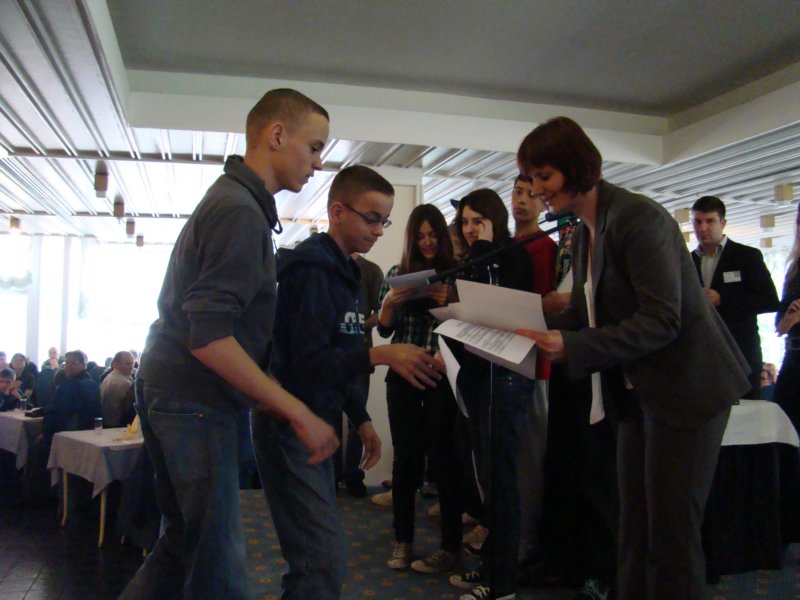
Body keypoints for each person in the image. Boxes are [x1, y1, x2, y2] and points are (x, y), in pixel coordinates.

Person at [515, 116, 750, 600]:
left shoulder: (637, 217)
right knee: (635, 527)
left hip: (689, 390)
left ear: (577, 167)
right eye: (532, 179)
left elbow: (664, 320)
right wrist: (512, 327)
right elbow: (583, 315)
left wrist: (573, 347)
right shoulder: (587, 231)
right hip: (640, 393)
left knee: (671, 534)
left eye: (544, 176)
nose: (536, 190)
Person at [120, 89, 340, 600]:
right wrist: (295, 409)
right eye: (314, 147)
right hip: (194, 397)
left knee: (184, 542)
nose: (318, 163)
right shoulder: (240, 211)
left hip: (172, 387)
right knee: (218, 563)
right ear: (277, 135)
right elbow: (209, 339)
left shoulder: (235, 201)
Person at [251, 165, 445, 599]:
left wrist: (359, 417)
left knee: (319, 560)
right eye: (371, 218)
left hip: (314, 423)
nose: (377, 230)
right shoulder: (313, 271)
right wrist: (382, 355)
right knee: (319, 561)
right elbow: (306, 364)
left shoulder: (348, 272)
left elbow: (337, 353)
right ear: (337, 212)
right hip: (289, 425)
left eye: (384, 221)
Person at [448, 189, 533, 600]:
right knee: (487, 478)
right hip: (480, 374)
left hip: (508, 375)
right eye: (465, 222)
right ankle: (492, 570)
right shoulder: (472, 260)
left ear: (494, 220)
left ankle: (503, 585)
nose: (470, 229)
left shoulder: (512, 255)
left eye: (478, 221)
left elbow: (498, 305)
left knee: (502, 480)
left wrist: (483, 248)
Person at [376, 203, 463, 574]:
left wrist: (452, 302)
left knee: (446, 461)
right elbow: (384, 330)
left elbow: (471, 327)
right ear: (411, 240)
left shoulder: (458, 272)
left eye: (433, 235)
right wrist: (389, 303)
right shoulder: (397, 274)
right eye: (421, 236)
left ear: (442, 236)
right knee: (406, 463)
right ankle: (403, 540)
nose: (427, 242)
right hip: (403, 375)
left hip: (443, 376)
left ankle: (450, 547)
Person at [510, 174, 557, 568]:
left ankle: (527, 541)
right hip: (505, 361)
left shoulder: (545, 247)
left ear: (543, 203)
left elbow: (541, 307)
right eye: (517, 192)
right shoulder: (507, 245)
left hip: (534, 364)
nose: (522, 200)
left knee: (529, 459)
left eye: (530, 194)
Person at [691, 195, 779, 398]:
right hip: (702, 354)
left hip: (740, 352)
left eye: (710, 221)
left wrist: (723, 299)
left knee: (744, 411)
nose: (702, 228)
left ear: (722, 223)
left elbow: (769, 300)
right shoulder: (687, 261)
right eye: (697, 222)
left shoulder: (746, 256)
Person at [332, 251, 384, 498]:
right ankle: (332, 474)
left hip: (360, 353)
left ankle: (353, 474)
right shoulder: (326, 266)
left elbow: (381, 314)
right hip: (330, 353)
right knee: (330, 413)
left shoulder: (371, 271)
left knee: (358, 417)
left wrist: (357, 326)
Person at [774, 204, 800, 433]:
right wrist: (789, 316)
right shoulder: (795, 266)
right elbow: (779, 324)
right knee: (785, 420)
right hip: (792, 355)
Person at [40, 350, 102, 445]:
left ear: (84, 365)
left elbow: (59, 412)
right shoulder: (68, 382)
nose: (69, 366)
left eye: (74, 363)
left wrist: (46, 435)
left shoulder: (80, 385)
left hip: (68, 435)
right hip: (83, 434)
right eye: (67, 363)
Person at [99, 351, 135, 427]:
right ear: (116, 364)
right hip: (117, 425)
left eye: (132, 363)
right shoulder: (123, 383)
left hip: (108, 422)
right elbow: (131, 410)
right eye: (127, 364)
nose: (131, 366)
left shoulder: (110, 376)